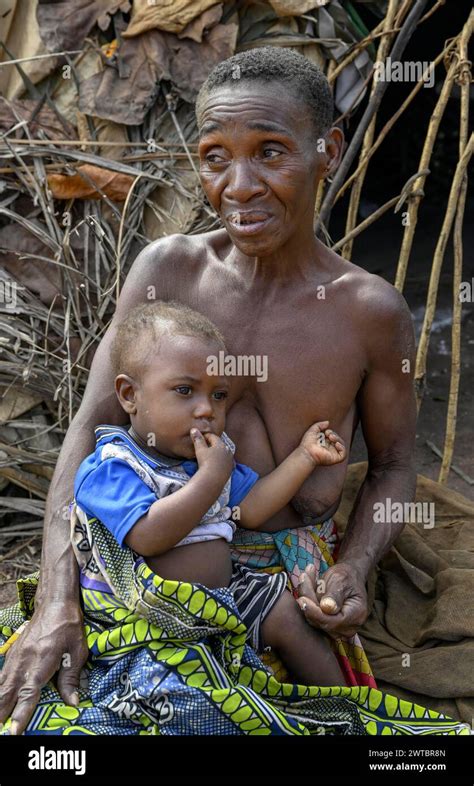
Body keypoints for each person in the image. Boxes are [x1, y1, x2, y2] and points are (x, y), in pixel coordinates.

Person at [0, 46, 416, 735]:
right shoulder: (168, 272)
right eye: (216, 156)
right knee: (46, 715)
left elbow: (397, 466)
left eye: (271, 152)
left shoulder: (368, 313)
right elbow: (88, 432)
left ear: (329, 150)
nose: (239, 185)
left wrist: (355, 569)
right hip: (132, 569)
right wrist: (57, 601)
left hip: (284, 601)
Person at [73, 300, 347, 687]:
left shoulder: (210, 460)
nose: (206, 409)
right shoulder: (113, 466)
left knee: (287, 615)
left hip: (225, 599)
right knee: (166, 686)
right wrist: (210, 479)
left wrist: (304, 457)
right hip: (147, 613)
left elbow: (251, 511)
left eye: (218, 396)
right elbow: (149, 535)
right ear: (129, 395)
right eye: (184, 390)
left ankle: (347, 709)